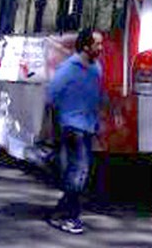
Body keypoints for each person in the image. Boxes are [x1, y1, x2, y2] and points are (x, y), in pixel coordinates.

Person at [46, 28, 104, 235]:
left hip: (88, 126)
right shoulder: (69, 69)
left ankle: (60, 211)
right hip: (71, 126)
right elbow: (51, 97)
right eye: (97, 44)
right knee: (79, 171)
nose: (101, 47)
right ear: (86, 46)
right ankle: (70, 216)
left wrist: (99, 123)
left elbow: (97, 96)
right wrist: (55, 127)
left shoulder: (96, 67)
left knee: (81, 172)